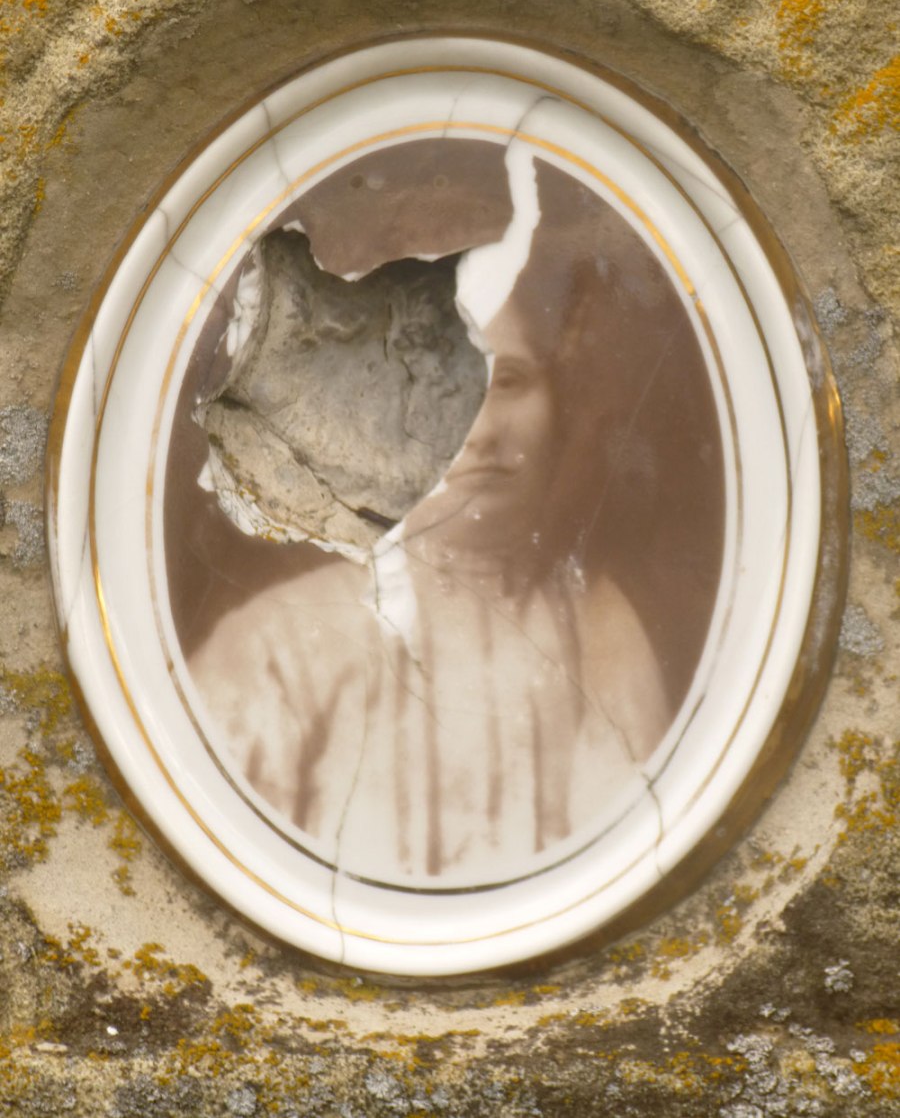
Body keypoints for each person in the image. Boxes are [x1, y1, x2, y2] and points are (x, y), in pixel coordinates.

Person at [187, 180, 672, 888]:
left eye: (508, 381)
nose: (477, 431)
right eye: (438, 383)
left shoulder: (602, 637)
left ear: (558, 403)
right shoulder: (272, 649)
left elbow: (629, 873)